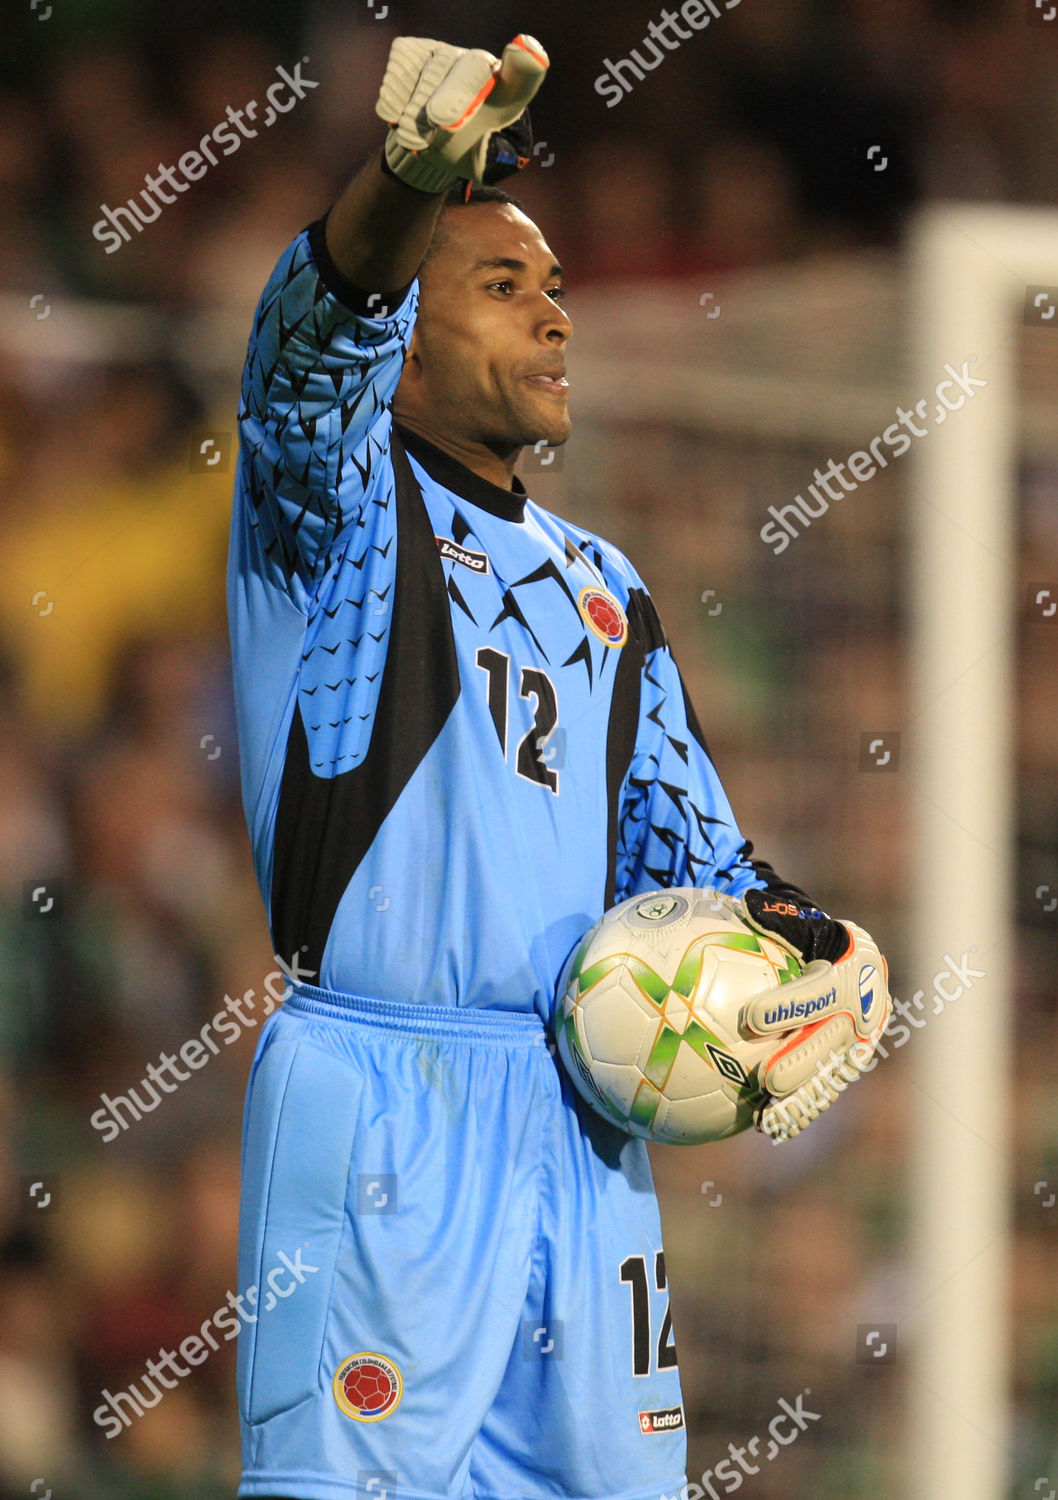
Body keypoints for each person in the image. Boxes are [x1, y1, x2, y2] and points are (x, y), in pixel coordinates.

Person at [226, 33, 891, 1500]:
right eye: (503, 287)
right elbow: (309, 343)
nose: (556, 320)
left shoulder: (606, 584)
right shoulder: (329, 512)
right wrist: (406, 181)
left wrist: (815, 960)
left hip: (584, 1128)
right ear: (407, 332)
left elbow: (696, 857)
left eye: (559, 290)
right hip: (384, 1102)